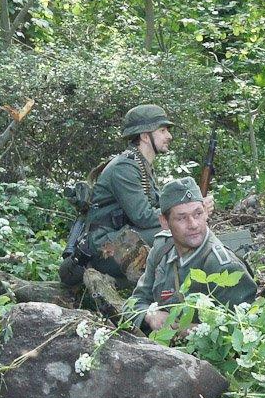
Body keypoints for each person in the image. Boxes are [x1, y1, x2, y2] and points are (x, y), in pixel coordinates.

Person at [84, 104, 214, 282]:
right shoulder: (124, 168)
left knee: (186, 228)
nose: (169, 136)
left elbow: (161, 207)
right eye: (162, 130)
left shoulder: (140, 165)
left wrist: (192, 208)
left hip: (124, 238)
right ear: (145, 136)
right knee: (176, 232)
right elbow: (144, 216)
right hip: (105, 247)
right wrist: (185, 214)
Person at [126, 177, 257, 333]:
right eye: (182, 218)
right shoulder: (162, 249)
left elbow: (245, 329)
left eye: (198, 214)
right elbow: (133, 303)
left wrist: (188, 330)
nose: (193, 224)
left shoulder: (223, 265)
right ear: (165, 222)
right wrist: (151, 315)